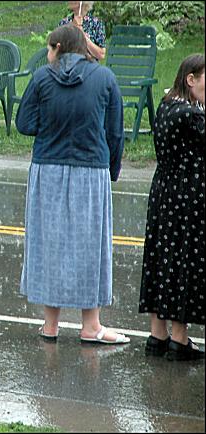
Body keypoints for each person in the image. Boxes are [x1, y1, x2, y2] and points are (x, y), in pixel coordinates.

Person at [15, 24, 126, 344]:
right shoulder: (104, 78)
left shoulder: (42, 78)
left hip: (48, 166)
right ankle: (91, 325)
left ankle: (50, 324)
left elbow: (24, 123)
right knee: (91, 246)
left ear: (59, 47)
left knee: (49, 244)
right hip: (91, 168)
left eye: (50, 48)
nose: (47, 54)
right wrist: (111, 170)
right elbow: (115, 132)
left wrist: (51, 125)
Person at [139, 54, 205, 361]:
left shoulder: (167, 105)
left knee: (162, 257)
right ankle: (179, 338)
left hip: (163, 191)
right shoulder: (190, 115)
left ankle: (158, 334)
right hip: (189, 195)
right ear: (191, 79)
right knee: (185, 260)